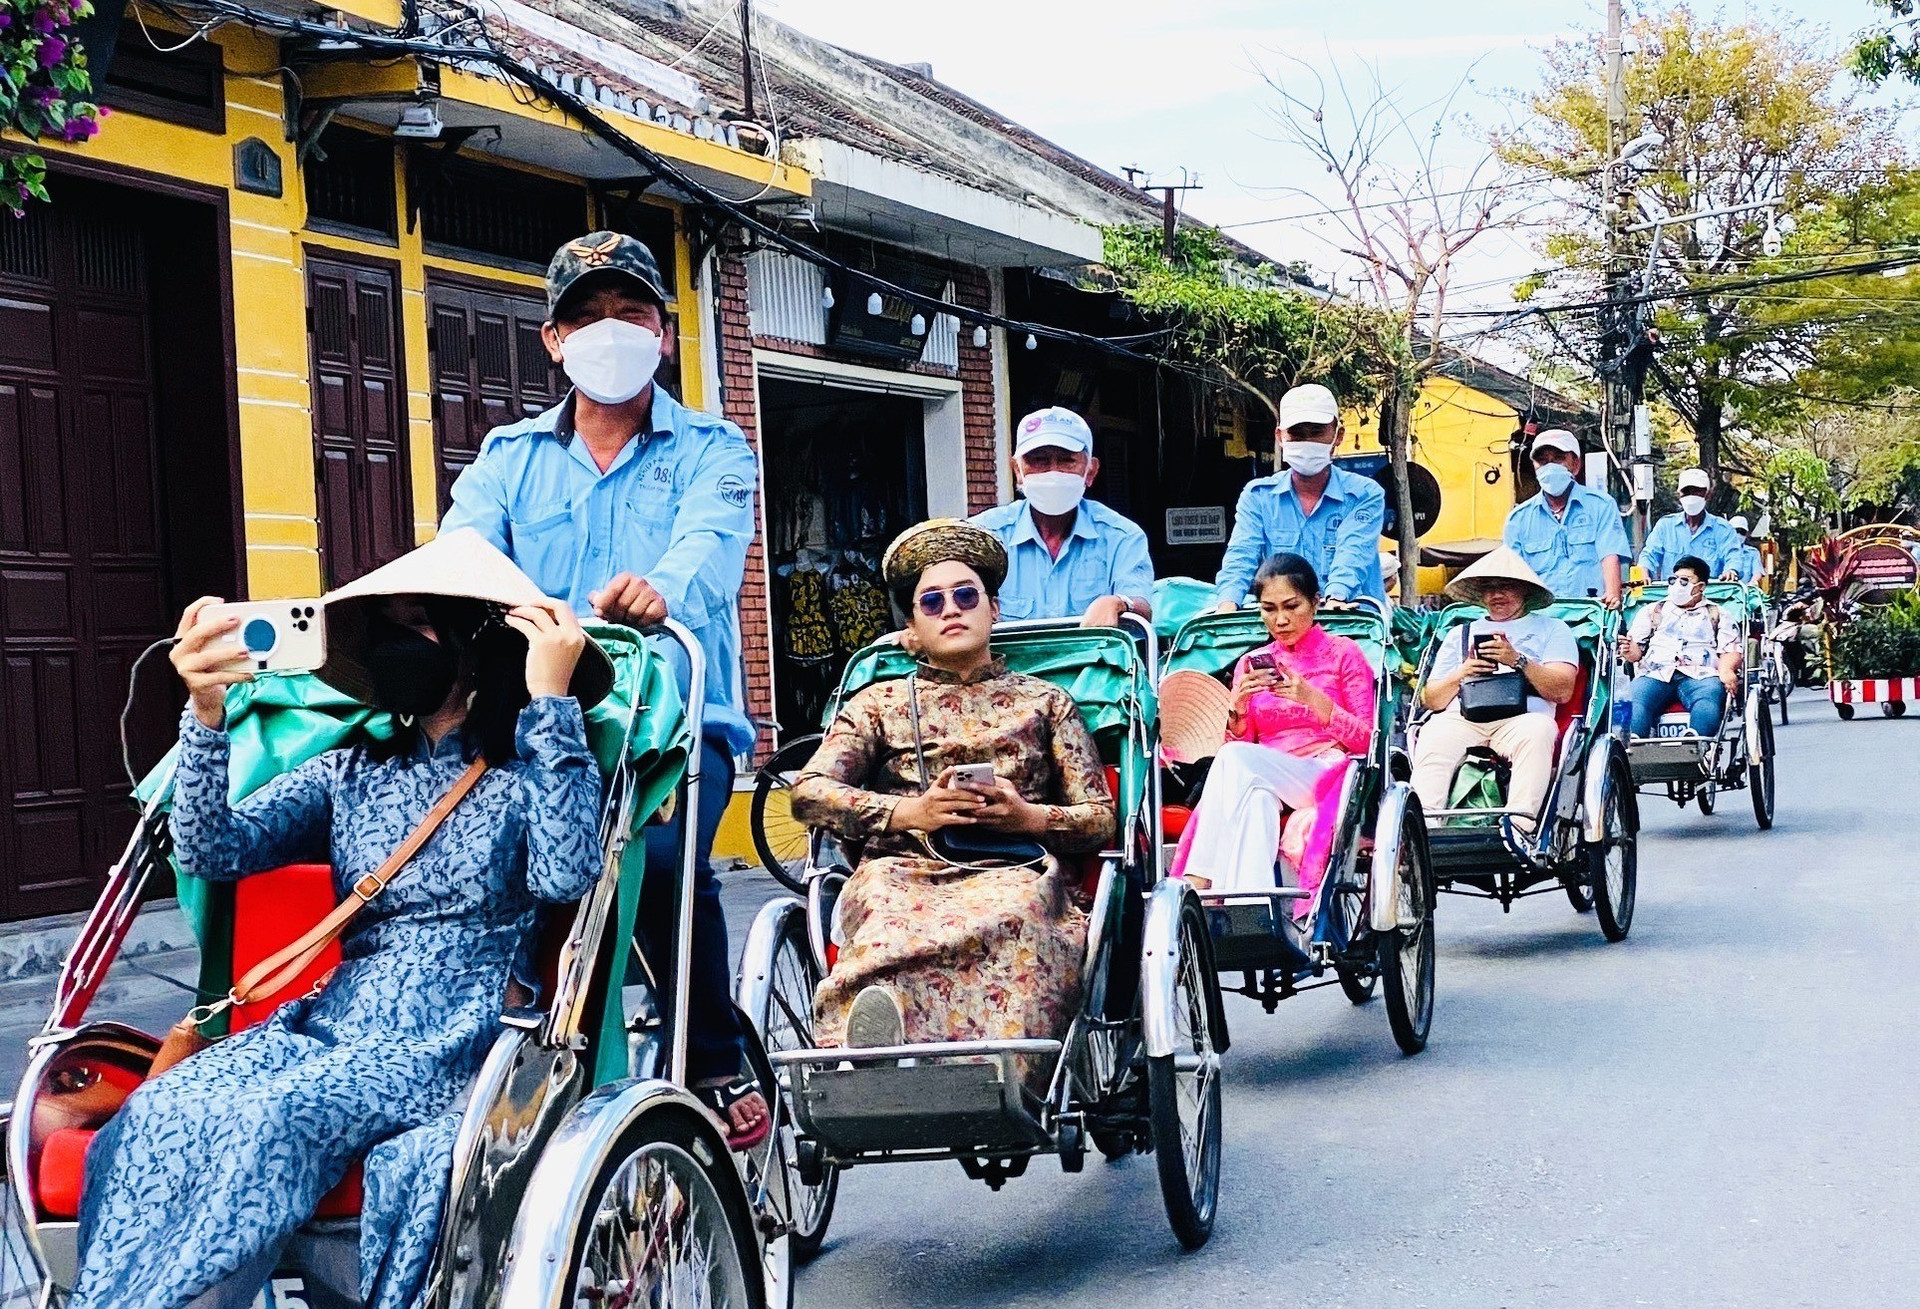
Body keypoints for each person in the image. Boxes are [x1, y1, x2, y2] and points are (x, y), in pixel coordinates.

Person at [72, 532, 605, 1309]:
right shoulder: (351, 769)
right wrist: (206, 714)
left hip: (453, 1034)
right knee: (164, 1103)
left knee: (273, 1116)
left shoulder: (532, 771)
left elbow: (566, 874)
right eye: (382, 626)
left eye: (415, 622)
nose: (394, 643)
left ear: (474, 641)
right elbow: (213, 850)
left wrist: (552, 703)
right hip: (333, 1018)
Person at [439, 231, 765, 1143]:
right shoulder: (509, 456)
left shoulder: (713, 446)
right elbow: (464, 556)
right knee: (474, 858)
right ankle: (505, 1031)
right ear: (553, 339)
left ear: (663, 333)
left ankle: (711, 1052)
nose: (608, 331)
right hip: (542, 723)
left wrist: (662, 590)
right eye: (586, 316)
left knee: (658, 862)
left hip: (670, 723)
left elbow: (708, 551)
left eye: (629, 313)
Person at [789, 520, 1113, 1058]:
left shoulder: (1046, 702)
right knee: (885, 919)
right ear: (912, 629)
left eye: (966, 595)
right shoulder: (878, 704)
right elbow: (808, 793)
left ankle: (1003, 1072)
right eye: (932, 602)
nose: (953, 610)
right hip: (900, 872)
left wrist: (1025, 818)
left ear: (994, 610)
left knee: (1016, 911)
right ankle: (872, 1052)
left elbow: (1101, 818)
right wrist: (912, 811)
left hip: (1015, 869)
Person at [1170, 553, 1376, 920]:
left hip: (1325, 771)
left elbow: (1366, 739)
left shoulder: (1344, 654)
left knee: (1234, 763)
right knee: (1256, 802)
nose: (1280, 620)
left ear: (1315, 602)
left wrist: (1313, 700)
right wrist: (1238, 708)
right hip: (1265, 771)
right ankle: (1252, 913)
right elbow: (1242, 746)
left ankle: (1199, 877)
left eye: (1291, 606)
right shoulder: (1252, 662)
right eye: (1268, 609)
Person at [1410, 547, 1581, 831]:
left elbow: (1562, 690)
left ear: (1525, 591)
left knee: (1539, 733)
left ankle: (1520, 826)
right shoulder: (1459, 634)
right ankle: (1424, 830)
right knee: (1432, 733)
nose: (1496, 595)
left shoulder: (1553, 629)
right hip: (1464, 717)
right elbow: (1432, 699)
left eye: (1506, 586)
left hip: (1523, 718)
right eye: (1489, 588)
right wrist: (1463, 672)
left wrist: (1517, 660)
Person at [971, 405, 1155, 627]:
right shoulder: (984, 537)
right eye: (1038, 460)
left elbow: (1141, 607)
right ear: (1018, 471)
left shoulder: (1122, 536)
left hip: (1094, 660)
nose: (1053, 472)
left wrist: (1119, 603)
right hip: (1011, 662)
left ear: (1090, 471)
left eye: (1066, 460)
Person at [1214, 383, 1388, 610]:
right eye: (1297, 434)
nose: (1307, 442)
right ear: (1280, 436)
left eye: (1316, 432)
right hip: (1281, 624)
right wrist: (1227, 604)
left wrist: (1336, 597)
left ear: (1338, 435)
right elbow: (1241, 555)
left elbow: (1353, 551)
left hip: (1350, 620)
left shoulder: (1364, 494)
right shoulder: (1258, 497)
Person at [1501, 428, 1630, 607]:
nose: (1550, 467)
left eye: (1558, 459)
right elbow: (1513, 574)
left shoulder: (1601, 505)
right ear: (1535, 466)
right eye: (1543, 461)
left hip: (1590, 613)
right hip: (1541, 616)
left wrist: (1612, 601)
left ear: (1576, 464)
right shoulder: (1518, 519)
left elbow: (1610, 556)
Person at [1619, 555, 1743, 738]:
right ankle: (1635, 745)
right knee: (1635, 700)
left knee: (1708, 699)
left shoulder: (1718, 614)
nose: (1677, 584)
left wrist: (1726, 671)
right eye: (1674, 579)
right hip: (1655, 672)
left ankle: (1697, 741)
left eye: (1684, 581)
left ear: (1700, 587)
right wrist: (1629, 650)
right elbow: (1637, 652)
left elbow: (1730, 649)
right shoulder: (1652, 611)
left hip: (1701, 674)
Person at [1639, 467, 1741, 583]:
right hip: (1672, 594)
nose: (1691, 496)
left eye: (1697, 491)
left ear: (1708, 494)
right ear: (1679, 495)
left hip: (1711, 595)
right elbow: (1649, 554)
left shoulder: (1723, 529)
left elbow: (1733, 556)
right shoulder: (1665, 526)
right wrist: (1644, 572)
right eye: (1686, 492)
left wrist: (1731, 571)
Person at [1728, 516, 1765, 585]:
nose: (1738, 534)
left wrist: (1750, 585)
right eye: (1735, 530)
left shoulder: (1752, 552)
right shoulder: (1720, 551)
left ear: (1746, 534)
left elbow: (1757, 573)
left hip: (1745, 591)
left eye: (1742, 532)